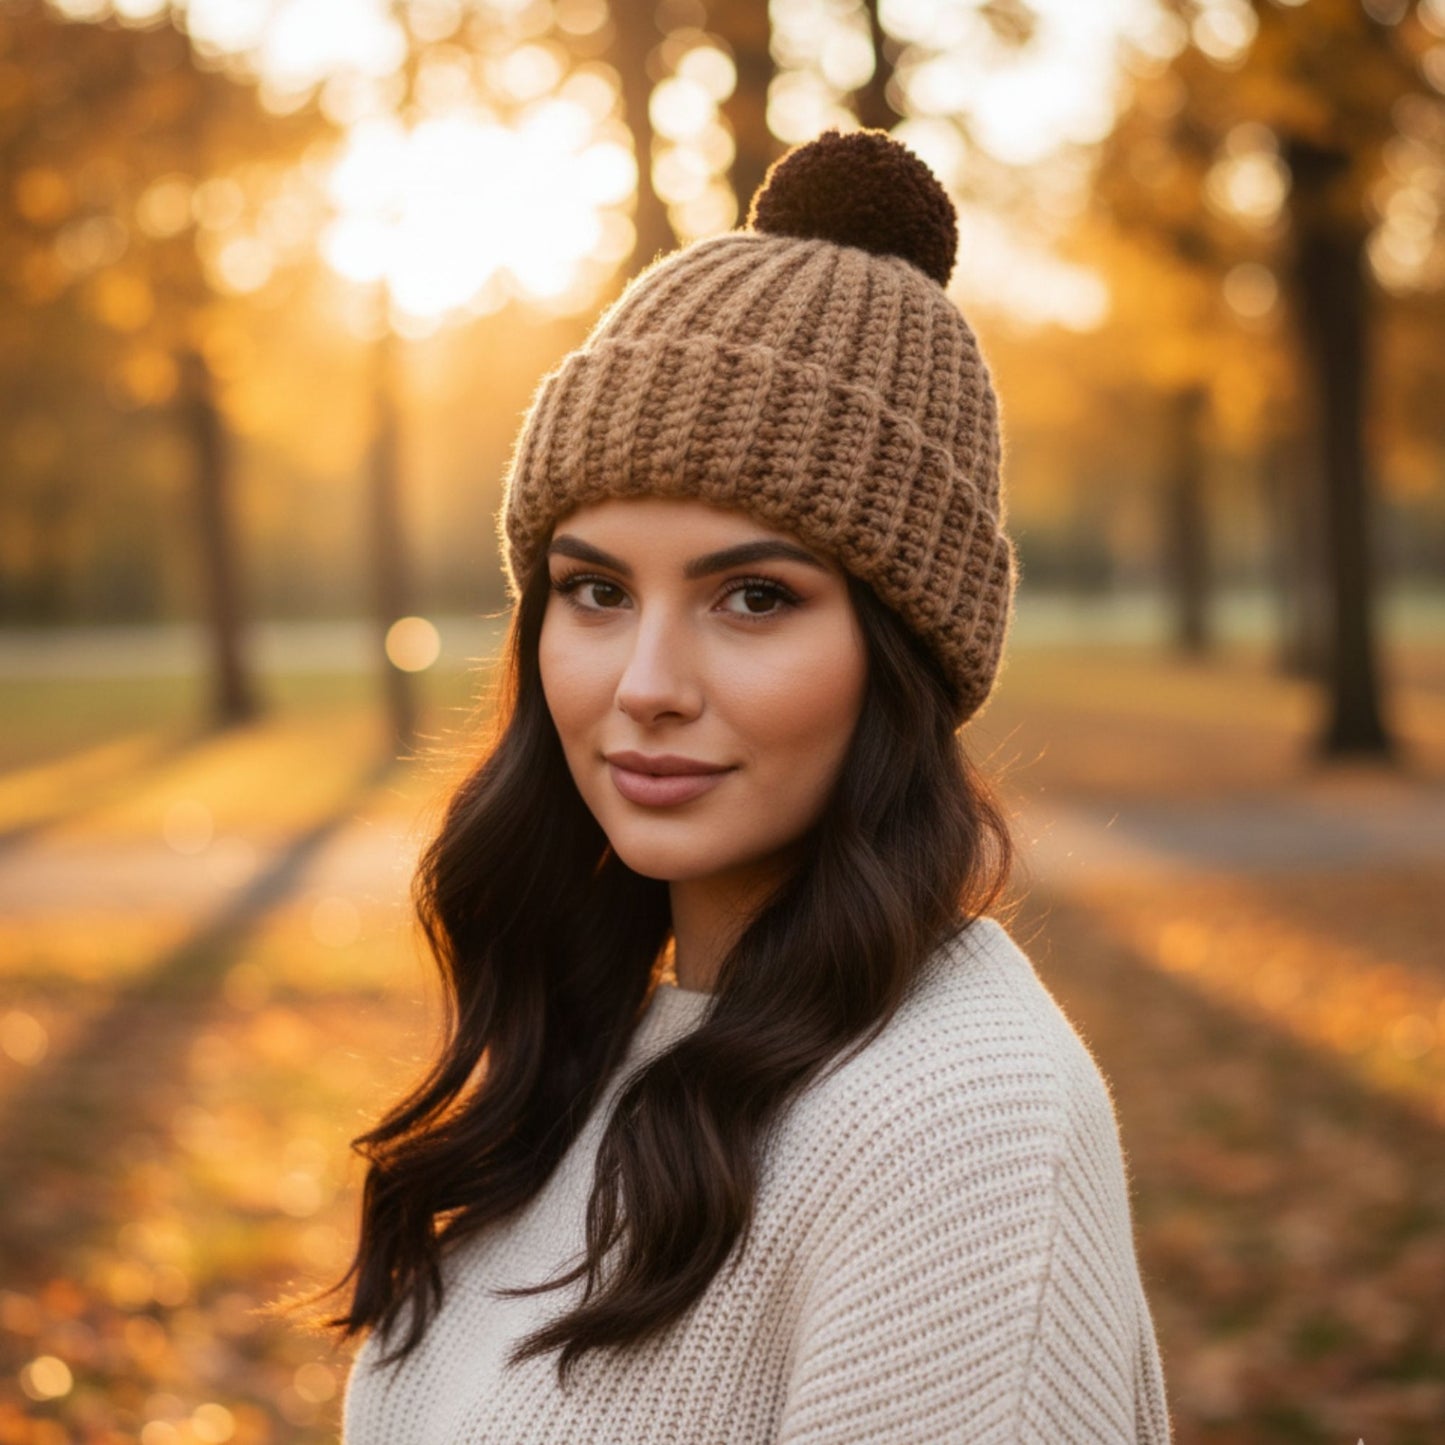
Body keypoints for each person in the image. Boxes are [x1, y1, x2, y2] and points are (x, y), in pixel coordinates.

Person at [336, 127, 1174, 1443]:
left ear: (898, 655)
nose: (646, 680)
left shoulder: (955, 1121)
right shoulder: (593, 1038)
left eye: (753, 596)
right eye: (596, 589)